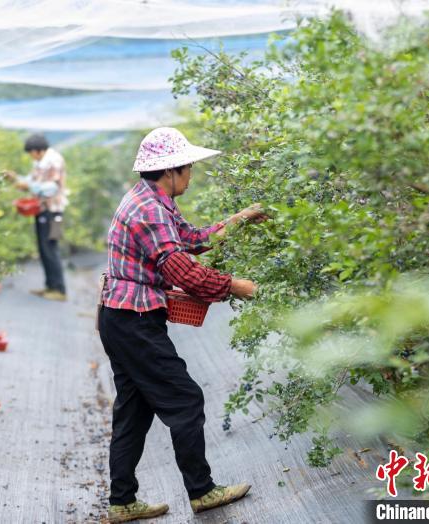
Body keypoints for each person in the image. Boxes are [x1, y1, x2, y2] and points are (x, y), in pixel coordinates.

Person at [98, 127, 267, 523]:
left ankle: (122, 502)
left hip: (123, 318)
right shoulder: (150, 210)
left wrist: (238, 221)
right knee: (185, 399)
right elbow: (182, 270)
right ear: (170, 171)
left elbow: (189, 239)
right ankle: (202, 491)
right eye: (188, 168)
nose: (191, 175)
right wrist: (235, 287)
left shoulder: (153, 200)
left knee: (134, 411)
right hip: (133, 321)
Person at [5, 133, 68, 301]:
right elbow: (31, 181)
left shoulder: (53, 161)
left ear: (38, 151)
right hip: (42, 210)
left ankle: (59, 290)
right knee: (43, 248)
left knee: (50, 248)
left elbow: (52, 188)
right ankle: (50, 286)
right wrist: (15, 179)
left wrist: (28, 185)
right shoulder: (40, 162)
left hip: (53, 211)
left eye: (31, 153)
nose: (30, 156)